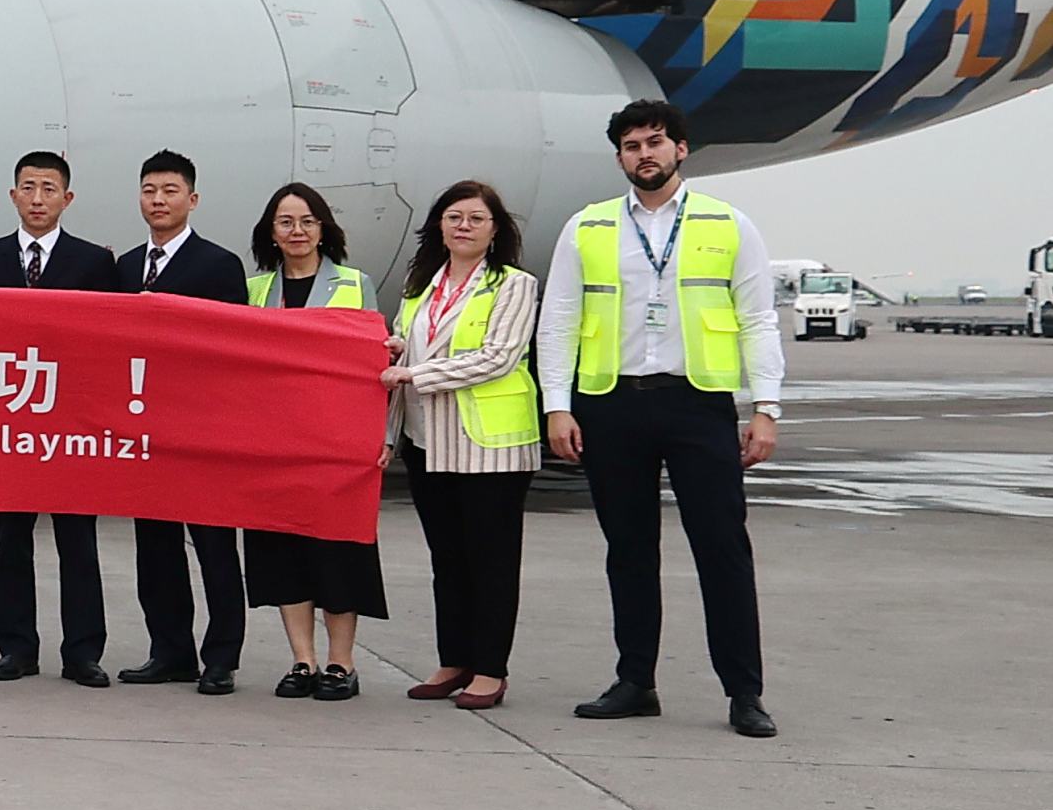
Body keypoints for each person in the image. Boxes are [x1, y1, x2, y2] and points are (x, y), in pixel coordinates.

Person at [542, 98, 783, 738]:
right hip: (611, 401)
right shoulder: (587, 227)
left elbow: (758, 318)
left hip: (696, 401)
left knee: (723, 549)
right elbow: (559, 320)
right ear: (619, 157)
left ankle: (744, 692)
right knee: (628, 550)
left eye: (654, 142)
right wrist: (558, 404)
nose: (643, 154)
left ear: (680, 148)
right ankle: (635, 681)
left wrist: (767, 407)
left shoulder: (729, 224)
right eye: (630, 146)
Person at [0, 150, 119, 685]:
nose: (37, 199)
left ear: (67, 199)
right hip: (8, 427)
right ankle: (16, 648)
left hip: (72, 429)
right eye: (27, 188)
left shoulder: (96, 263)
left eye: (48, 189)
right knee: (11, 544)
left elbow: (108, 349)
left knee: (78, 544)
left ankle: (82, 652)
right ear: (12, 196)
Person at [387, 179, 544, 712]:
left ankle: (490, 669)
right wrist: (390, 432)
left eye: (476, 219)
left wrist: (415, 372)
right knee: (447, 559)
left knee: (492, 561)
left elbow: (498, 357)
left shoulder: (514, 285)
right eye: (454, 217)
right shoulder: (420, 289)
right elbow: (397, 362)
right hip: (427, 442)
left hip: (489, 447)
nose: (463, 227)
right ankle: (454, 659)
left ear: (496, 230)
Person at [237, 180, 385, 700]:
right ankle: (302, 660)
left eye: (307, 221)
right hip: (274, 446)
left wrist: (381, 436)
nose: (296, 231)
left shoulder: (353, 283)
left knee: (337, 552)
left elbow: (377, 366)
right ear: (271, 234)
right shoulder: (256, 291)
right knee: (283, 551)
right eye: (285, 223)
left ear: (323, 229)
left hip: (335, 445)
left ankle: (341, 664)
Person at [118, 150, 253, 693]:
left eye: (170, 191)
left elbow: (233, 351)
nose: (159, 200)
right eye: (150, 190)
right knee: (155, 549)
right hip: (145, 429)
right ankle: (169, 650)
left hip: (202, 431)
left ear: (192, 200)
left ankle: (221, 656)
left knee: (216, 549)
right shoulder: (124, 268)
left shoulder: (219, 265)